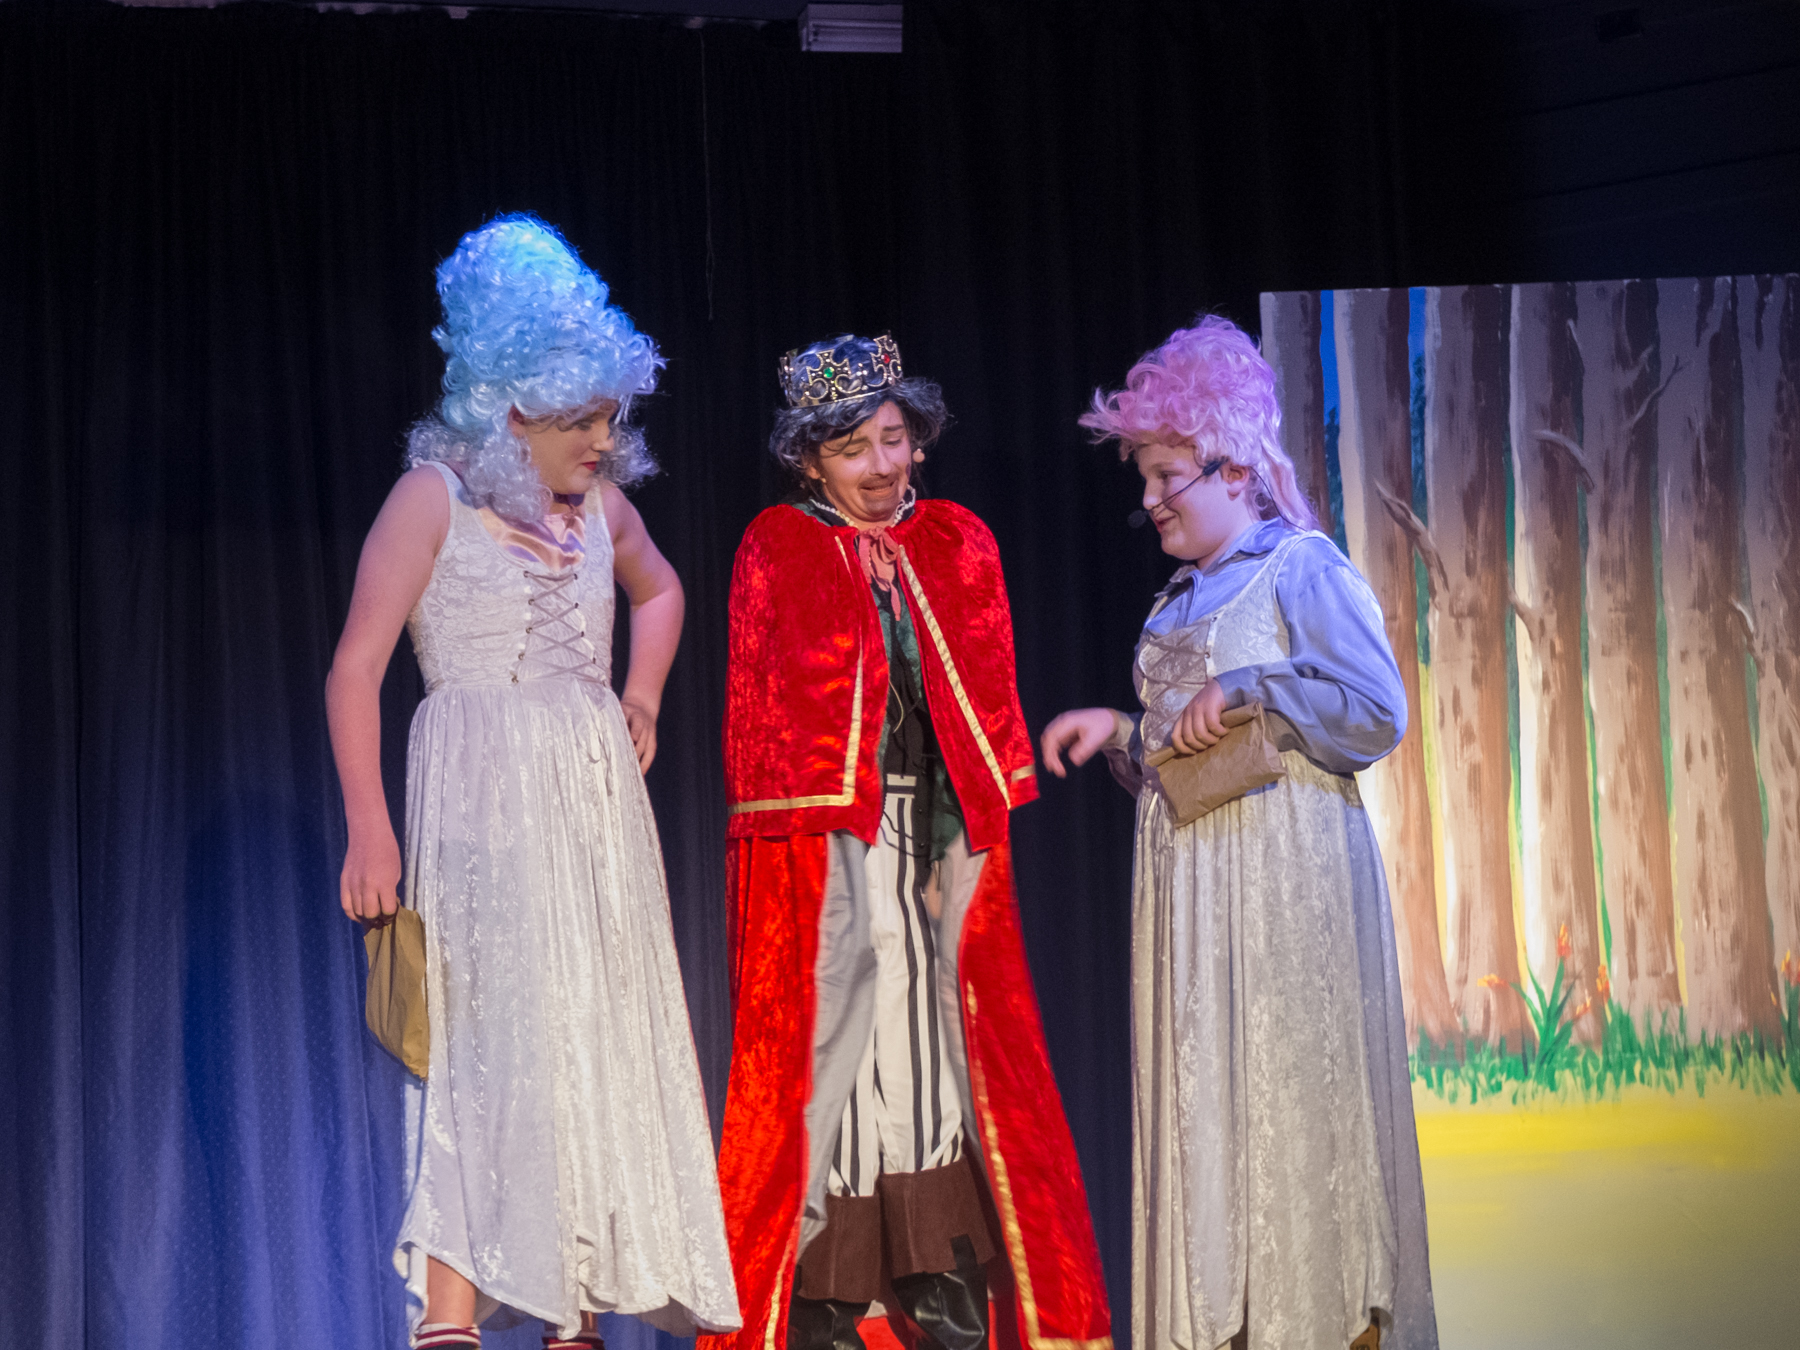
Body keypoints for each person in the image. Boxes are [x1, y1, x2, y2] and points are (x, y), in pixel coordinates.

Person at [325, 215, 740, 1350]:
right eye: (578, 421)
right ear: (510, 412)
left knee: (588, 1029)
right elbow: (356, 668)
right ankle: (451, 1311)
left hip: (593, 807)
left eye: (609, 417)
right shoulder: (432, 500)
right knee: (484, 1039)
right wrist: (369, 826)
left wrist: (641, 695)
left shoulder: (602, 512)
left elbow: (661, 590)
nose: (604, 441)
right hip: (481, 798)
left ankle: (577, 1308)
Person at [703, 335, 1112, 1350]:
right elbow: (770, 726)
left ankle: (938, 1270)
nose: (882, 465)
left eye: (893, 440)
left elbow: (977, 711)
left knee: (931, 1037)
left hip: (936, 840)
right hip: (824, 846)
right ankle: (831, 1289)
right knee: (835, 1054)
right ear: (809, 460)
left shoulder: (958, 541)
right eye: (853, 449)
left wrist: (948, 848)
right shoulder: (777, 546)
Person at [1041, 317, 1438, 1350]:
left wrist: (1254, 682)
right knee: (1208, 1106)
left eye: (1166, 475)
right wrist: (1122, 729)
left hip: (1283, 879)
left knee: (1291, 1101)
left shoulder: (1300, 566)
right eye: (1144, 477)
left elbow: (1377, 710)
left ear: (1233, 466)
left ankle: (1324, 1321)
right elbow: (1194, 752)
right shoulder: (1177, 600)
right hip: (1190, 884)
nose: (1150, 498)